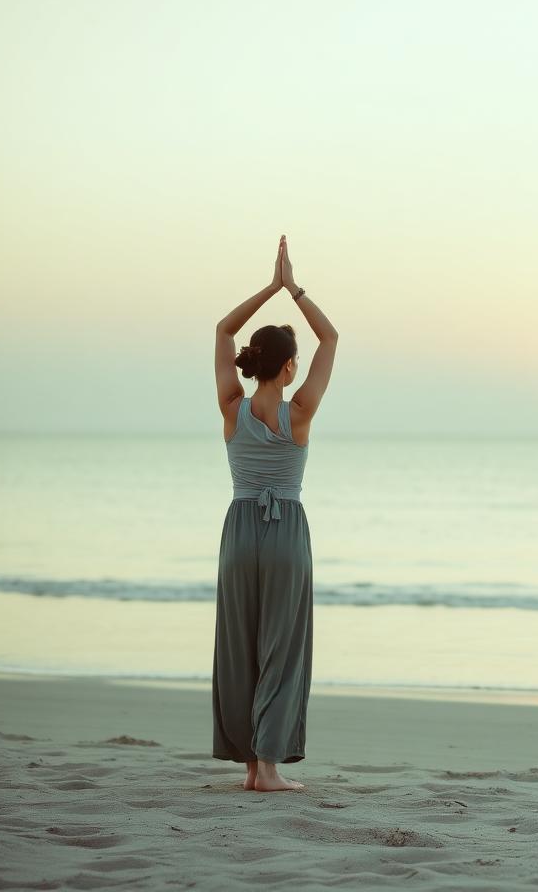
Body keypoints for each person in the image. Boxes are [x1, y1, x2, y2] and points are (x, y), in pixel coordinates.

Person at [211, 234, 338, 792]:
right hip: (285, 528)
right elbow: (330, 336)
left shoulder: (231, 407)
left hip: (239, 528)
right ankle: (269, 769)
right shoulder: (301, 412)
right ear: (288, 368)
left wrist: (268, 288)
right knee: (282, 646)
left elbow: (222, 331)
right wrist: (294, 287)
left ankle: (248, 768)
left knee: (240, 643)